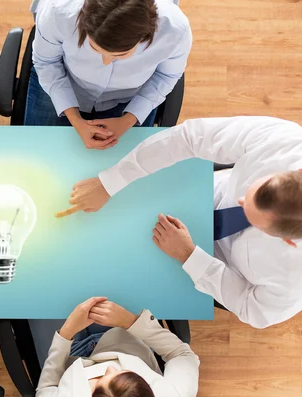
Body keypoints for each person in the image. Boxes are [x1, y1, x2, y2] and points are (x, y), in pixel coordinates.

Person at [56, 116, 302, 329]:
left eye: (251, 217)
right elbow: (189, 137)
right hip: (195, 191)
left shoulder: (295, 279)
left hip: (205, 266)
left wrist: (189, 256)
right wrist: (109, 182)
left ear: (289, 241)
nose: (240, 200)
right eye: (250, 193)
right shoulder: (286, 142)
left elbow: (252, 309)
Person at [25, 0, 192, 150]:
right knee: (38, 150)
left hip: (131, 97)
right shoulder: (57, 11)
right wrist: (75, 119)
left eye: (120, 55)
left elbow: (166, 76)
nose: (106, 61)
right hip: (64, 81)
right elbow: (47, 63)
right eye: (95, 49)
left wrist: (127, 121)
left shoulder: (175, 30)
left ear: (146, 35)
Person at [35, 296, 199, 397]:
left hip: (69, 355)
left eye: (98, 382)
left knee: (41, 294)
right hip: (124, 336)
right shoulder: (172, 396)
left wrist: (66, 333)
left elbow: (46, 389)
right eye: (126, 374)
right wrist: (129, 321)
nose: (111, 367)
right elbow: (181, 354)